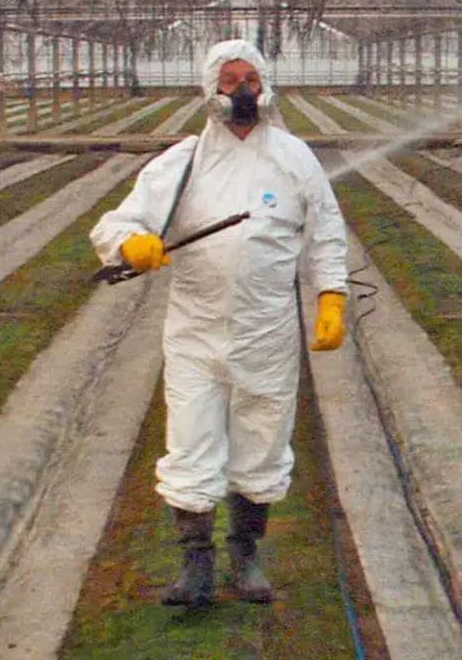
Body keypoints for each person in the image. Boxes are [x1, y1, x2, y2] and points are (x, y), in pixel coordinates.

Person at [90, 39, 349, 607]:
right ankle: (196, 564)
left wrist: (331, 296)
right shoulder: (181, 163)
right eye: (229, 80)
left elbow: (325, 231)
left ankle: (247, 555)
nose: (242, 89)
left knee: (262, 440)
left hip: (268, 331)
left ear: (266, 83)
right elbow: (116, 222)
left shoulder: (294, 157)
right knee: (190, 442)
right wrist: (131, 243)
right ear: (211, 90)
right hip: (196, 331)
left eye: (249, 77)